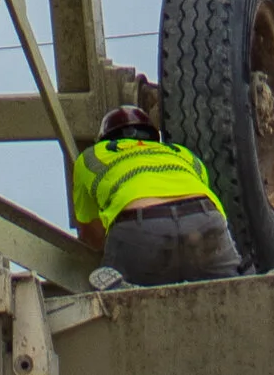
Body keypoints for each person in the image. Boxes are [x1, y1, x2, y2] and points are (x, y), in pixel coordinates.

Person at [71, 102, 243, 287]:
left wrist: (119, 254)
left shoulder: (91, 156)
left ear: (105, 139)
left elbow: (90, 231)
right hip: (205, 221)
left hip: (140, 227)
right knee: (235, 288)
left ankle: (122, 290)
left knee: (114, 303)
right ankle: (248, 278)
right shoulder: (183, 153)